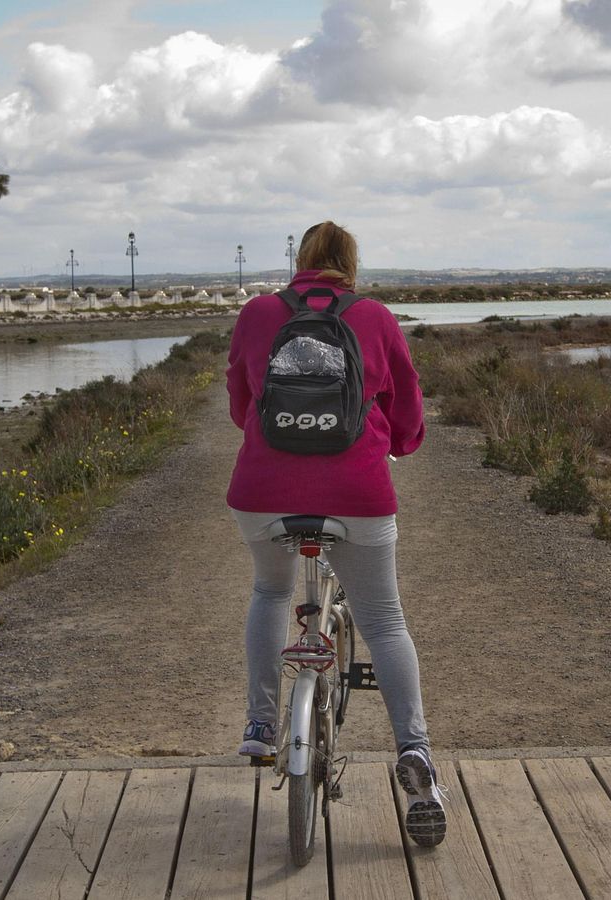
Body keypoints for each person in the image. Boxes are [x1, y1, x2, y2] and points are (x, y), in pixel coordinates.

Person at [225, 220, 446, 847]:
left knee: (270, 594)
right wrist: (400, 443)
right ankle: (417, 754)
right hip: (359, 496)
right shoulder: (374, 316)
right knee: (384, 621)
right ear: (350, 264)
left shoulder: (258, 313)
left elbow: (242, 402)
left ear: (300, 261)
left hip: (260, 494)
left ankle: (262, 727)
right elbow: (406, 400)